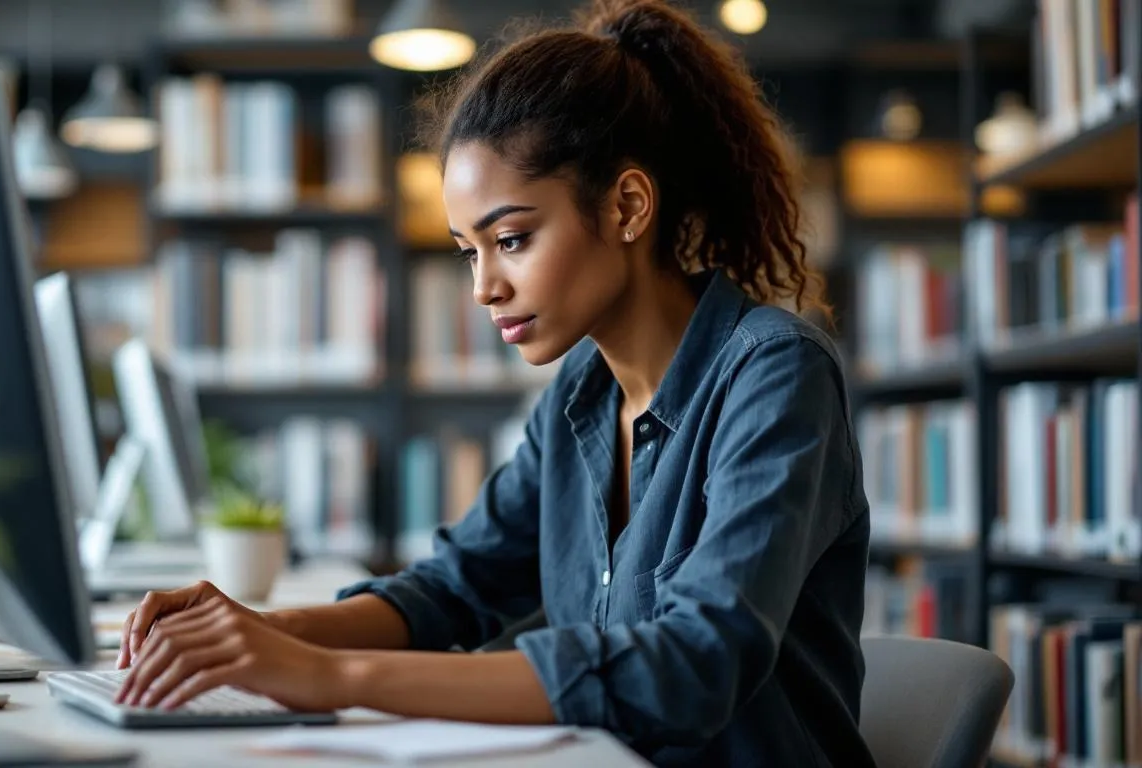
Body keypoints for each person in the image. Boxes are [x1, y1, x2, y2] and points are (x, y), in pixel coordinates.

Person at [114, 0, 876, 764]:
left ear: (628, 206)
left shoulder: (775, 374)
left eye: (511, 239)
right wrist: (253, 632)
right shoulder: (582, 394)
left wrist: (330, 675)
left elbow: (693, 666)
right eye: (467, 252)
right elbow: (455, 589)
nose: (484, 288)